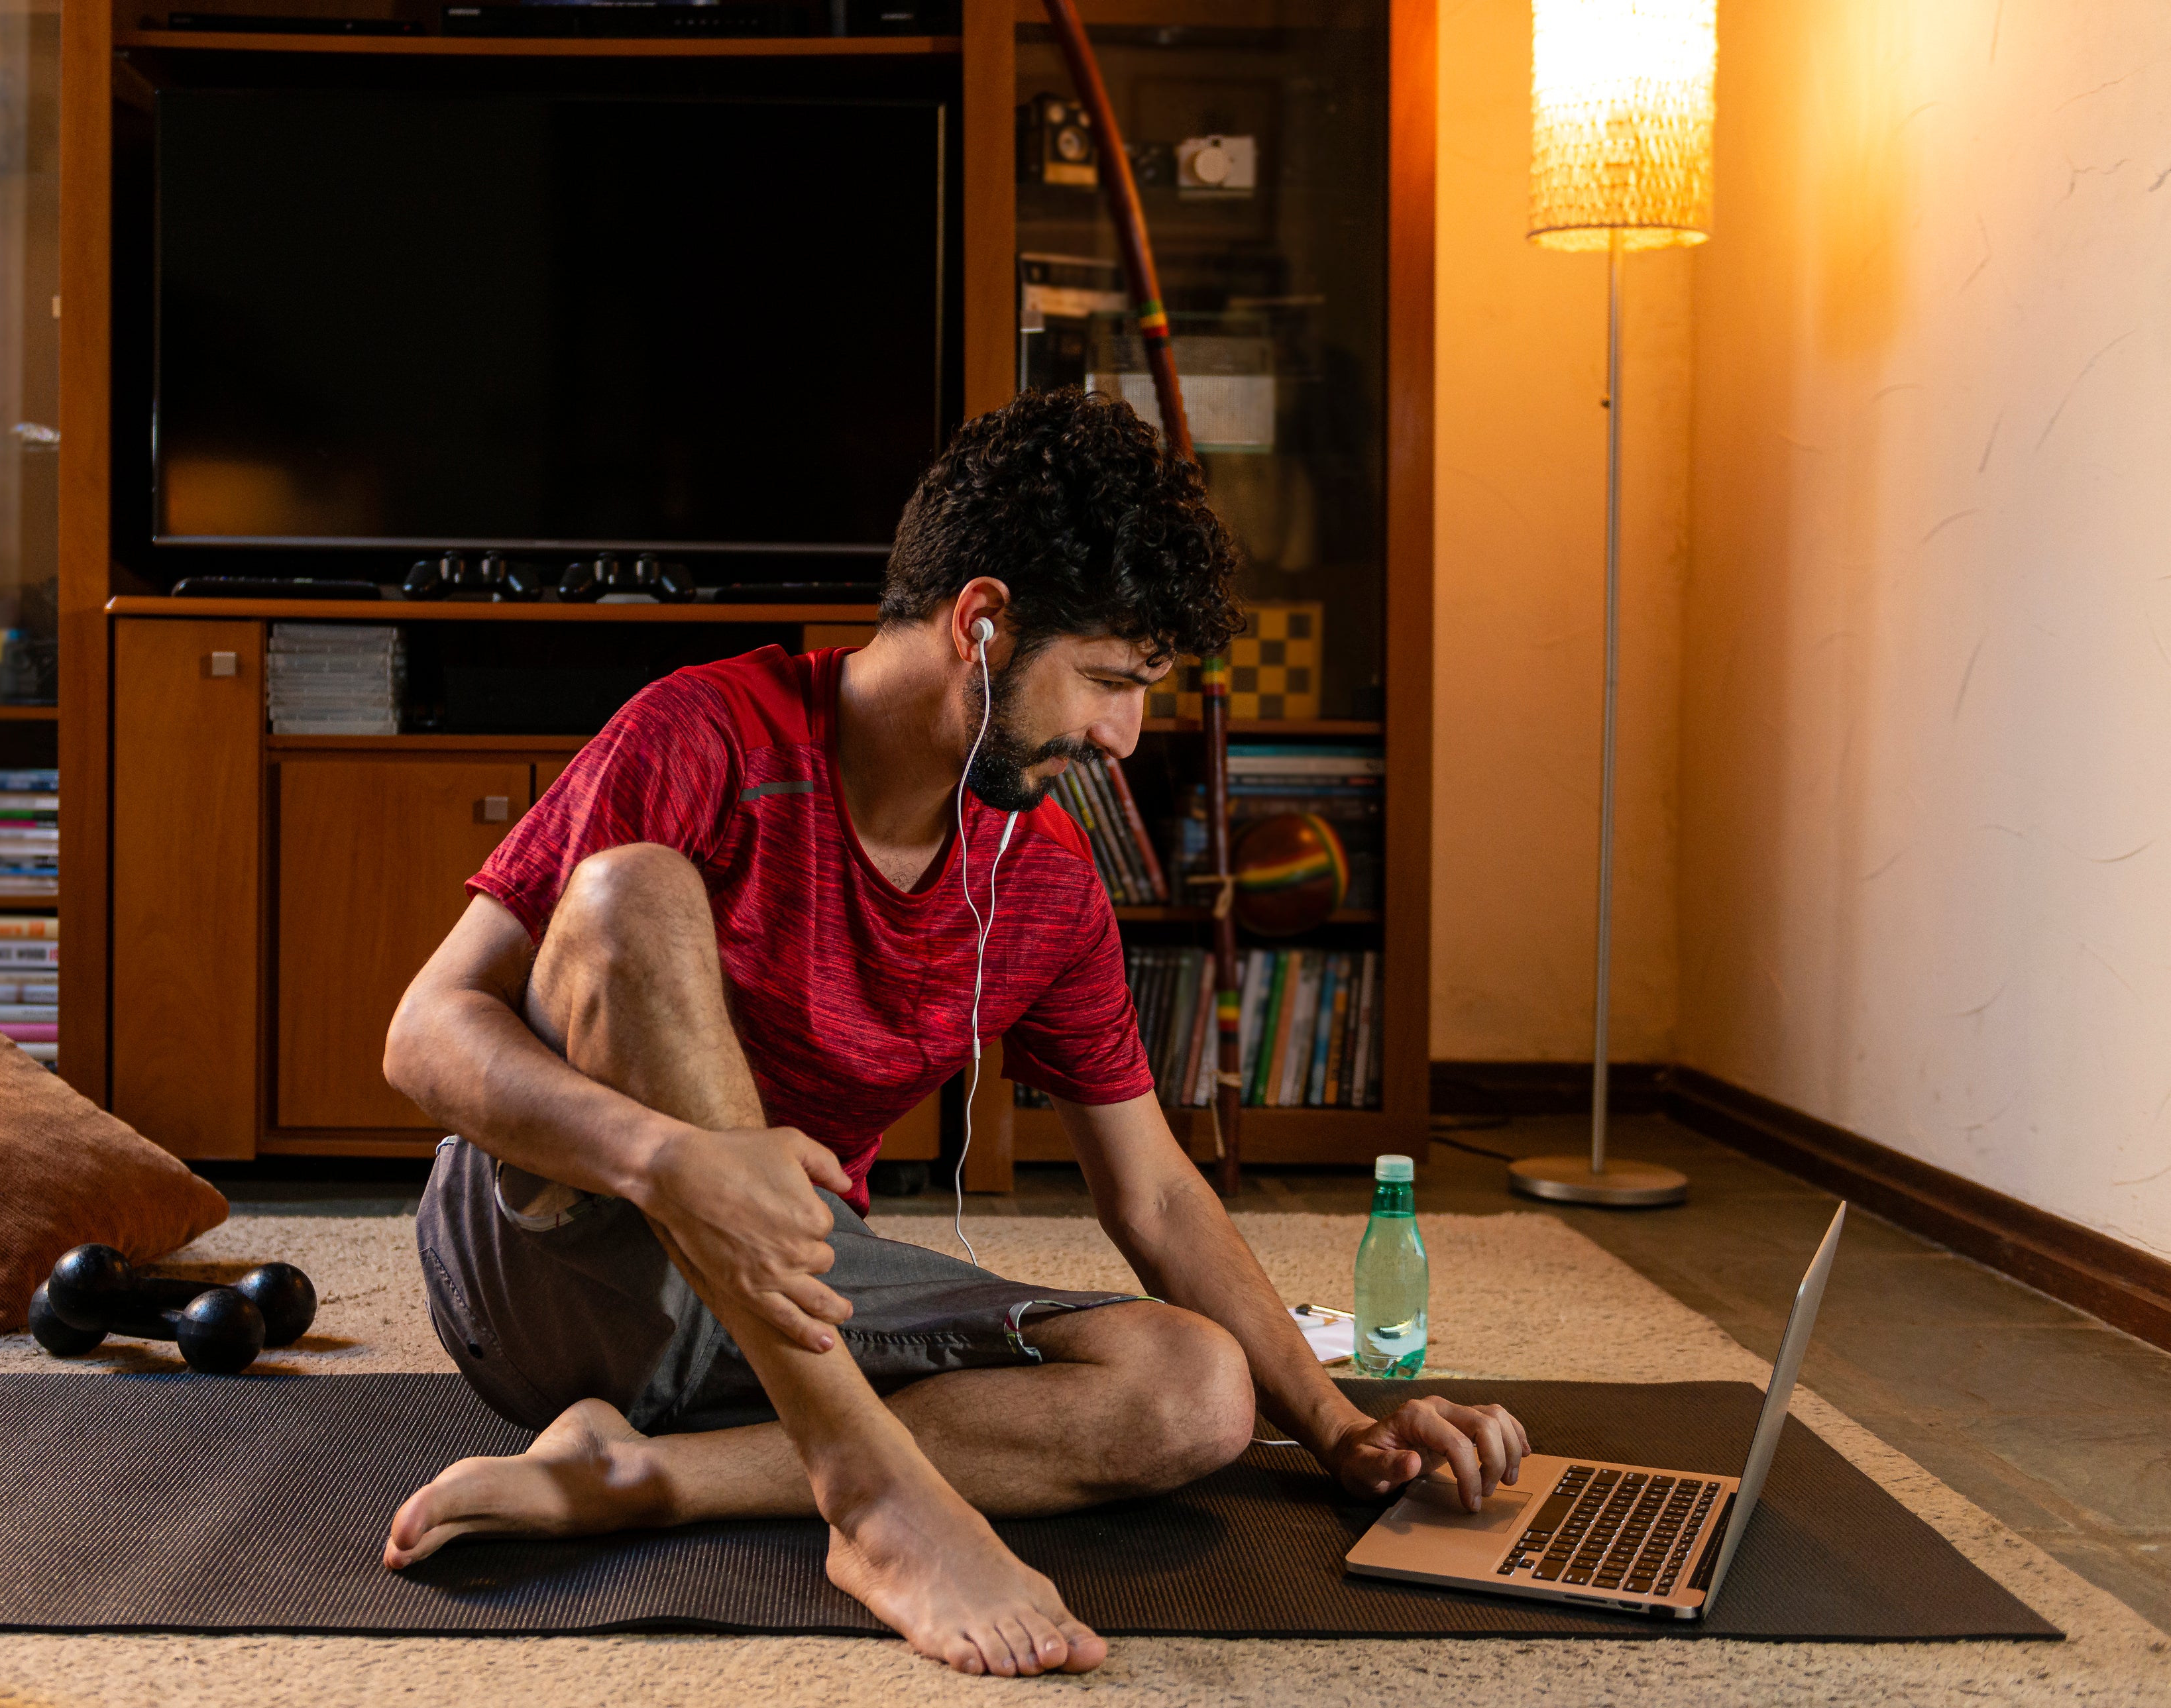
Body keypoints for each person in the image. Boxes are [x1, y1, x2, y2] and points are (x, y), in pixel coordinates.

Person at [378, 390, 1527, 1677]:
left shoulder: (1045, 880)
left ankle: (644, 1474)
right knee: (630, 890)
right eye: (1104, 679)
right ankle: (871, 1492)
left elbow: (1150, 1190)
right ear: (980, 623)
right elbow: (422, 1031)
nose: (1119, 735)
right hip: (555, 1253)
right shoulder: (703, 732)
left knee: (1197, 1388)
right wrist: (662, 1157)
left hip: (787, 1294)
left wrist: (1338, 1428)